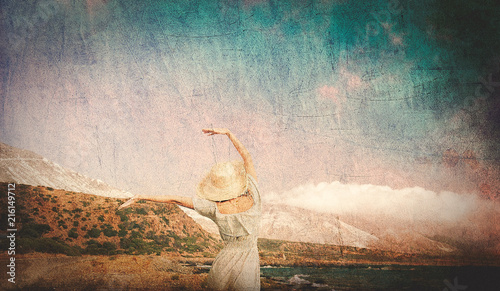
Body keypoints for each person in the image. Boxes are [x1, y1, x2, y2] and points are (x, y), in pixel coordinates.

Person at [118, 128, 262, 290]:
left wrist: (141, 196)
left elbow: (175, 199)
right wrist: (228, 134)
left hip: (223, 266)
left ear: (216, 187)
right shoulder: (254, 196)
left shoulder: (214, 208)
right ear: (236, 180)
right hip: (248, 268)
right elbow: (247, 157)